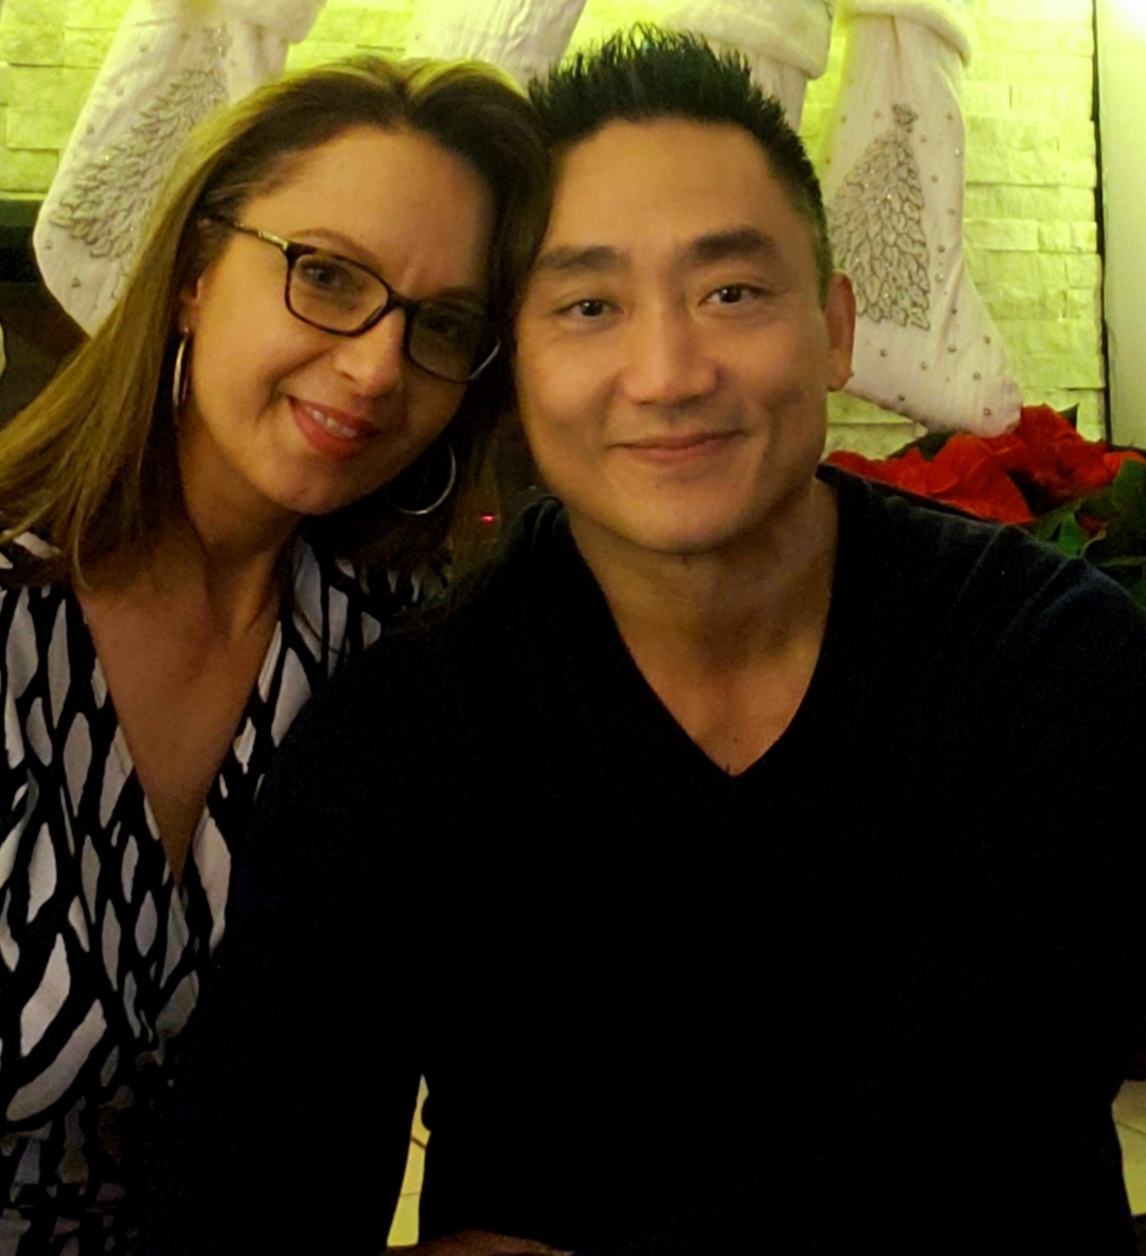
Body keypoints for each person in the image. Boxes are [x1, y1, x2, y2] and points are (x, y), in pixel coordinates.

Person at [148, 28, 1146, 1256]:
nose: (667, 373)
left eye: (731, 293)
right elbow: (252, 1193)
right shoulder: (410, 723)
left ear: (834, 327)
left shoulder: (1042, 660)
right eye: (588, 306)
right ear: (513, 370)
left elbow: (977, 1141)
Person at [0, 54, 548, 1254]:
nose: (375, 364)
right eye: (324, 274)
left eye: (442, 323)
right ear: (196, 277)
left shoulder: (376, 650)